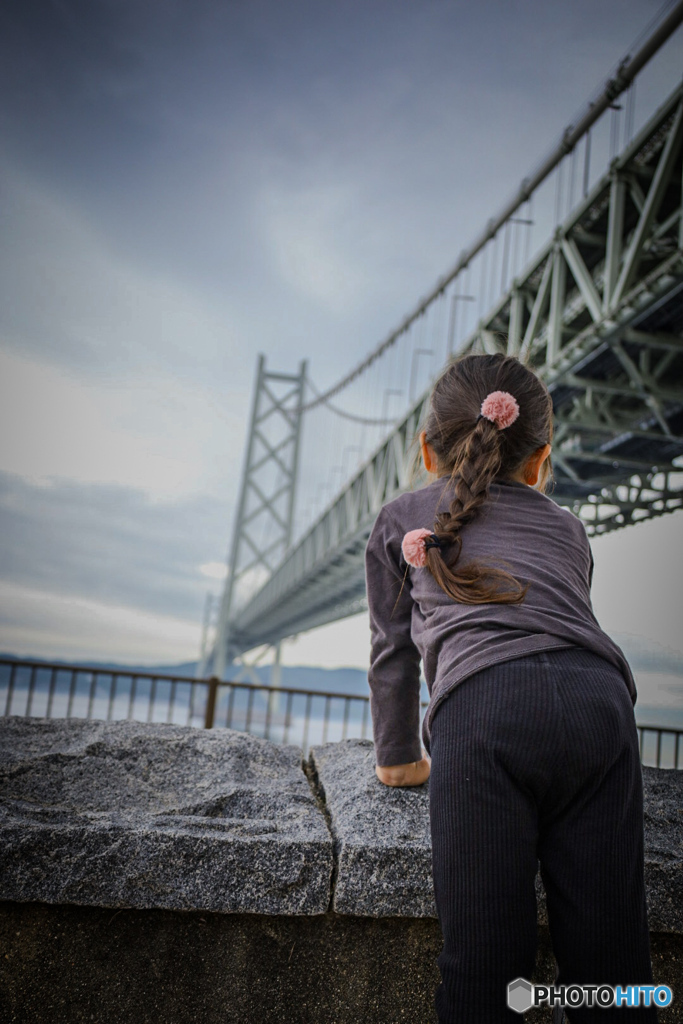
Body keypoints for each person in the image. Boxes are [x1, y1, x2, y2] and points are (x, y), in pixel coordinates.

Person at [364, 352, 657, 1023]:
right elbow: (555, 625)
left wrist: (399, 759)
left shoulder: (397, 517)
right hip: (599, 708)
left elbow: (393, 651)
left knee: (485, 977)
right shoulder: (569, 527)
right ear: (540, 460)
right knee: (613, 973)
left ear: (426, 451)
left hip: (484, 713)